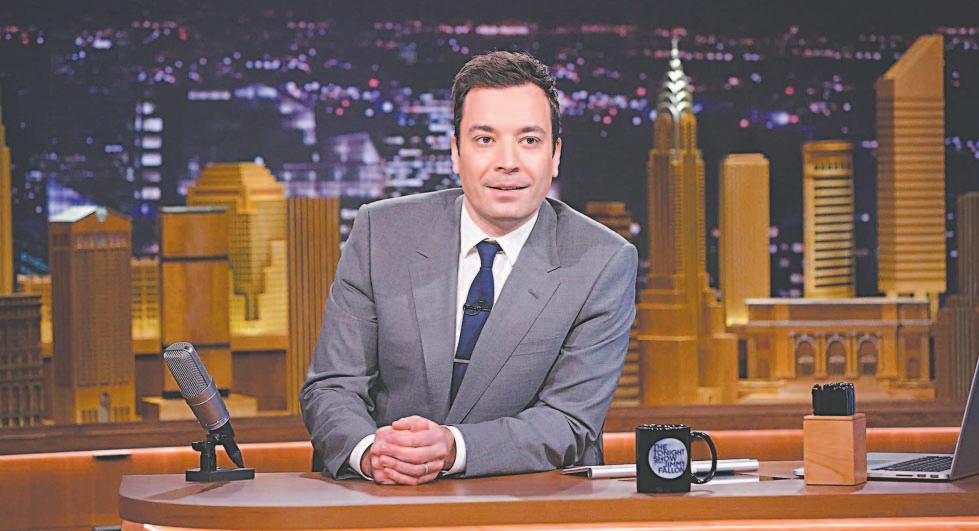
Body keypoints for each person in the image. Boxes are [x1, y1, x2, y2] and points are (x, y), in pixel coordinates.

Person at [301, 50, 637, 484]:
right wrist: (369, 453)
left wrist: (453, 447)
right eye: (485, 140)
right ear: (455, 152)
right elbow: (333, 386)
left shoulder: (602, 260)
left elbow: (569, 421)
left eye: (529, 141)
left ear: (555, 155)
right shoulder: (381, 232)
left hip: (526, 502)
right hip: (384, 499)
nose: (508, 162)